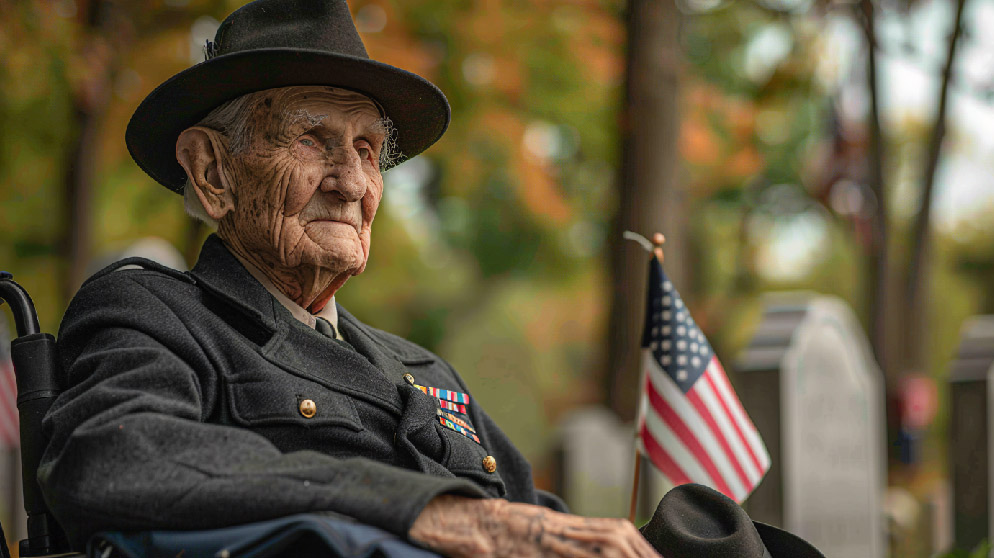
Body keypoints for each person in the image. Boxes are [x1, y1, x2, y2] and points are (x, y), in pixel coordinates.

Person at [38, 1, 822, 557]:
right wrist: (426, 512)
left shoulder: (420, 369)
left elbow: (528, 521)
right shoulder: (154, 313)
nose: (351, 181)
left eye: (369, 151)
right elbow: (113, 456)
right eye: (314, 140)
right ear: (212, 171)